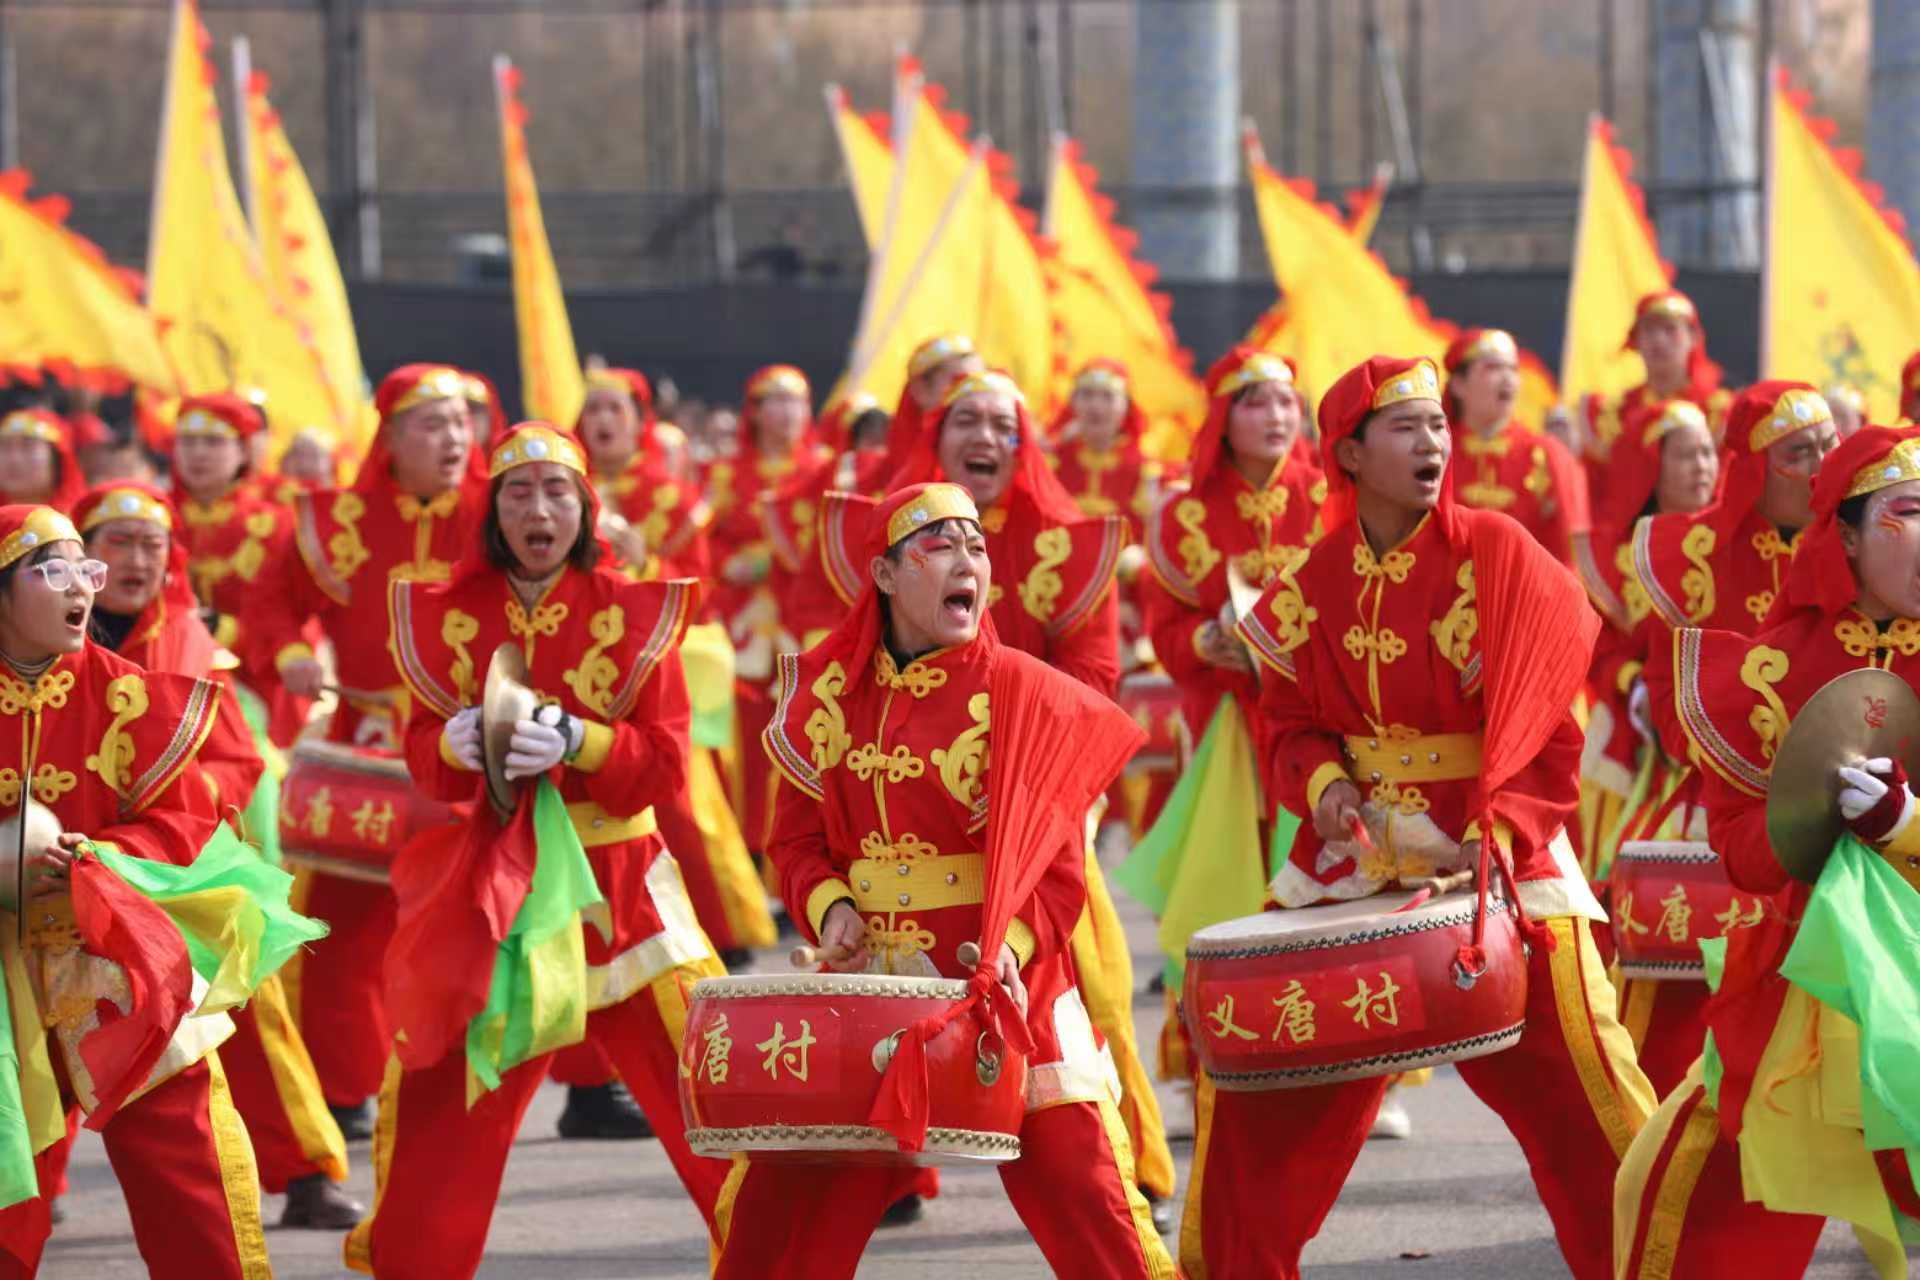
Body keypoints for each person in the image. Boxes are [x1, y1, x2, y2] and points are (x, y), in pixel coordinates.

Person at [1186, 355, 1653, 1280]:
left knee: (1589, 1107)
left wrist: (1493, 832)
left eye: (1438, 424)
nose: (1433, 441)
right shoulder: (1313, 580)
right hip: (1357, 861)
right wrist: (1326, 788)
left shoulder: (1497, 552)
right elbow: (1290, 723)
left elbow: (1549, 722)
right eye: (1406, 427)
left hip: (1499, 850)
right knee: (1264, 1096)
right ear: (1350, 454)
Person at [712, 481, 1175, 1279]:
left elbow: (1059, 873)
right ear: (885, 575)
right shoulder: (828, 694)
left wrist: (1010, 950)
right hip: (869, 989)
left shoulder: (1025, 693)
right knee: (782, 1214)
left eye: (978, 548)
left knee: (1089, 1196)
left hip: (1008, 984)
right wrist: (832, 909)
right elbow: (793, 842)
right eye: (941, 547)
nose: (969, 562)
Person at [347, 424, 725, 1277]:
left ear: (586, 509)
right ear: (492, 513)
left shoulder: (635, 612)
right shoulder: (447, 613)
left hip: (621, 892)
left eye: (558, 492)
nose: (537, 509)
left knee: (712, 1096)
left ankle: (773, 1258)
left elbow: (664, 767)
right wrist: (449, 744)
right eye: (517, 493)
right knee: (445, 1105)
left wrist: (582, 741)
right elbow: (423, 755)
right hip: (498, 889)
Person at [828, 370, 1177, 1225]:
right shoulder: (895, 540)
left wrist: (1039, 779)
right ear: (934, 442)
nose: (985, 437)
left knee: (1089, 985)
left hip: (1041, 787)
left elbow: (1093, 675)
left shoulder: (1068, 547)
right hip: (919, 797)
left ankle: (1132, 1169)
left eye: (1002, 424)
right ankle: (891, 1171)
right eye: (966, 422)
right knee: (881, 992)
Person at [1616, 424, 1920, 1278]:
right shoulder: (1772, 669)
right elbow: (1743, 852)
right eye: (1909, 513)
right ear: (1846, 538)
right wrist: (1810, 820)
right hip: (1803, 982)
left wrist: (1904, 824)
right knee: (1675, 1200)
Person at [0, 503, 288, 1278]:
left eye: (83, 571)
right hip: (2, 976)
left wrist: (105, 855)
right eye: (52, 571)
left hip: (114, 955)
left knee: (187, 1174)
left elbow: (188, 821)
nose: (80, 588)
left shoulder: (130, 695)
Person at [75, 481, 364, 1228]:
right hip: (61, 869)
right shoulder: (44, 637)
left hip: (176, 865)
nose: (137, 560)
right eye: (117, 543)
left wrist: (158, 807)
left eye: (152, 546)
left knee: (248, 1008)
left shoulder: (192, 647)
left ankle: (305, 1172)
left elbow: (237, 762)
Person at [240, 362, 489, 1137]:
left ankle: (458, 1086)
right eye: (432, 425)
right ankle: (347, 1091)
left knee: (477, 923)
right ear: (391, 439)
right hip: (369, 753)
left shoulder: (500, 511)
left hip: (473, 749)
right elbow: (270, 603)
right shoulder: (340, 522)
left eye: (461, 423)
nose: (453, 439)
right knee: (341, 930)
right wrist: (291, 655)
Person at [1597, 384, 1837, 1096]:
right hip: (1716, 799)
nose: (1822, 465)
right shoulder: (1691, 554)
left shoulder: (1855, 545)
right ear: (1757, 467)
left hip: (1837, 804)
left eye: (1829, 446)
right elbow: (1669, 689)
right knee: (1667, 1003)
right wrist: (1726, 762)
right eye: (1801, 452)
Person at [1128, 347, 1324, 1086]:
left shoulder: (1330, 498)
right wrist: (1203, 642)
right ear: (1223, 419)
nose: (1276, 416)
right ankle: (1208, 1056)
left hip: (1317, 725)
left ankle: (1340, 1057)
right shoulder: (1185, 514)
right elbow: (1166, 627)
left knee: (1324, 879)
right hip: (1224, 729)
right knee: (1222, 888)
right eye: (1256, 402)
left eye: (1286, 401)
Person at [1576, 400, 1722, 876]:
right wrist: (1636, 686)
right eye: (1685, 455)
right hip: (1636, 732)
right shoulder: (1615, 554)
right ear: (1651, 467)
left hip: (1722, 729)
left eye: (1707, 452)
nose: (1701, 466)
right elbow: (1600, 649)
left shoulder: (1735, 541)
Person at [701, 366, 830, 854]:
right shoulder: (724, 474)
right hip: (742, 621)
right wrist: (728, 562)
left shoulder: (825, 468)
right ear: (754, 412)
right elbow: (699, 541)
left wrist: (777, 560)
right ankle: (747, 843)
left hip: (805, 616)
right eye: (776, 400)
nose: (788, 411)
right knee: (748, 726)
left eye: (797, 400)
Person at [1443, 327, 1590, 567]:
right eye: (1493, 368)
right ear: (1458, 384)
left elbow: (1567, 557)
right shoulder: (1436, 452)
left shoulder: (1546, 455)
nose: (1507, 378)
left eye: (1512, 369)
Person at [1576, 289, 1730, 482]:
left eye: (1670, 329)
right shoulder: (1612, 414)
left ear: (1694, 337)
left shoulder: (1718, 412)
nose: (1659, 339)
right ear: (1636, 340)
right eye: (1649, 330)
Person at [1049, 359, 1166, 536]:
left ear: (1126, 406)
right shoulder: (1051, 461)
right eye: (1087, 395)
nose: (1096, 406)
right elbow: (1016, 443)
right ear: (1072, 402)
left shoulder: (1146, 470)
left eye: (1108, 396)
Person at [857, 333, 986, 493]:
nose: (976, 392)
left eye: (980, 381)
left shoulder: (991, 472)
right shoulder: (866, 478)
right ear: (920, 389)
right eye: (960, 381)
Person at [0, 409, 85, 512]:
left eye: (27, 446)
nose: (14, 459)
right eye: (5, 447)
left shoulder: (83, 517)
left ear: (57, 459)